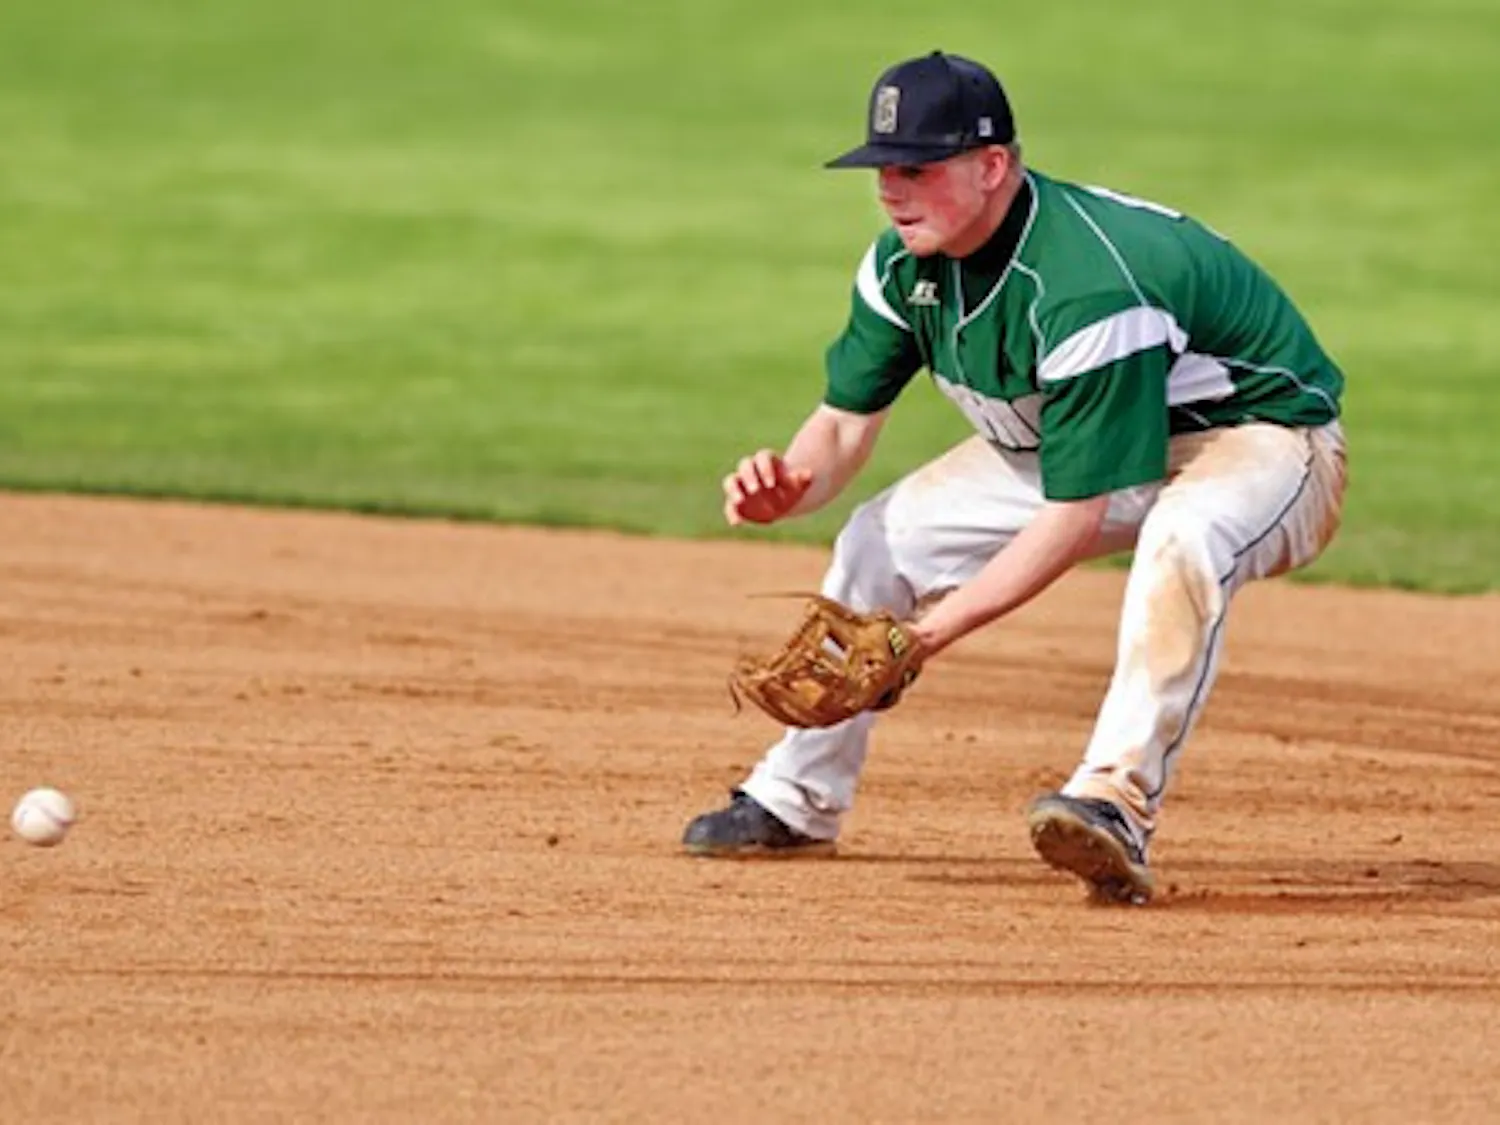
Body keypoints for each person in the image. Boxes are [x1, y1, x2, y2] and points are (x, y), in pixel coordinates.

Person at [681, 50, 1347, 904]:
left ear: (992, 165)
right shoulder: (901, 267)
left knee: (1184, 538)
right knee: (880, 536)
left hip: (1263, 443)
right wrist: (793, 483)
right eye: (883, 166)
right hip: (1086, 440)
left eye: (916, 166)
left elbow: (1073, 517)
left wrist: (927, 633)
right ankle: (795, 797)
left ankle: (1112, 801)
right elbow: (844, 424)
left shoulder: (1083, 285)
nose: (891, 188)